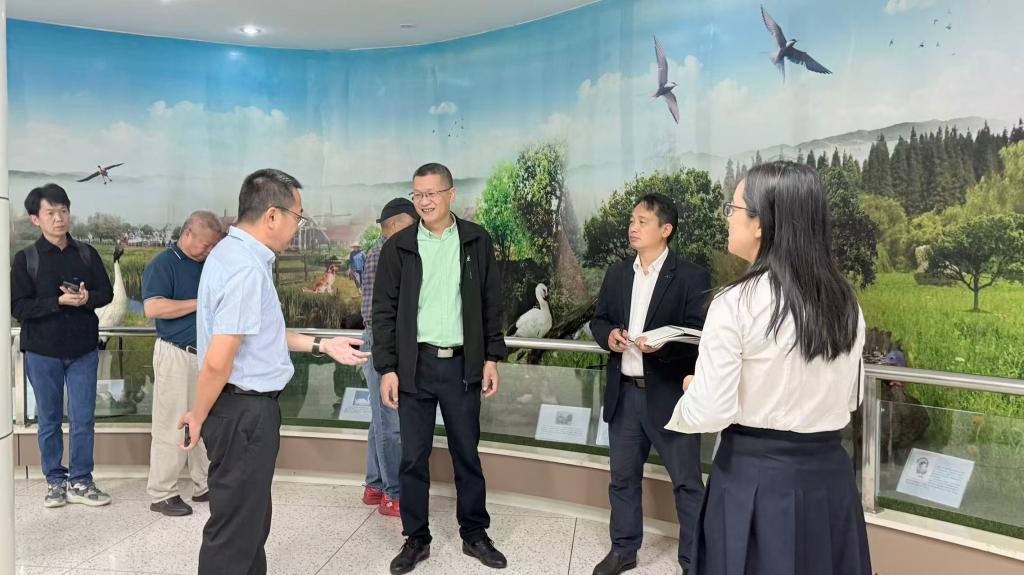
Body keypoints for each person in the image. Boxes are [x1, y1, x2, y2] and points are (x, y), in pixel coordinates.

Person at [666, 161, 871, 575]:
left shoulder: (735, 303)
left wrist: (693, 390)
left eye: (734, 208)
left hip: (754, 481)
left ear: (760, 223)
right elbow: (852, 397)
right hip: (830, 481)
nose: (727, 218)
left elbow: (710, 412)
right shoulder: (845, 303)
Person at [178, 169, 370, 575]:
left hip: (241, 410)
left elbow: (261, 333)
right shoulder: (245, 268)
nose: (298, 226)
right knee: (233, 534)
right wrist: (197, 414)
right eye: (297, 216)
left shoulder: (233, 256)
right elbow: (218, 359)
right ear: (271, 215)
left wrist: (322, 344)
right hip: (244, 413)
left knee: (249, 524)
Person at [373, 163, 507, 574]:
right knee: (413, 457)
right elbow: (384, 312)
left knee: (466, 453)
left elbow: (491, 302)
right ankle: (416, 538)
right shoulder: (399, 247)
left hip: (462, 366)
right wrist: (388, 368)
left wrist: (491, 358)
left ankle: (475, 533)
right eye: (418, 194)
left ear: (451, 194)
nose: (424, 201)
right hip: (414, 367)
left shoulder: (475, 240)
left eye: (431, 193)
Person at [589, 193, 710, 575]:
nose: (633, 227)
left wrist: (663, 344)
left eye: (642, 221)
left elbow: (699, 335)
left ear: (666, 229)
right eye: (632, 220)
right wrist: (610, 336)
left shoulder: (691, 276)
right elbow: (599, 320)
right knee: (622, 479)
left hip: (670, 396)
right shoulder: (618, 273)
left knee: (687, 483)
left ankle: (693, 561)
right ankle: (623, 550)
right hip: (624, 394)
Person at [12, 183, 115, 509]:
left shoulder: (86, 254)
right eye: (51, 213)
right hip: (42, 352)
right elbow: (18, 307)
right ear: (35, 219)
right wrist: (57, 301)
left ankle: (81, 480)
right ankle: (55, 481)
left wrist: (86, 298)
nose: (59, 218)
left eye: (64, 211)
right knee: (49, 419)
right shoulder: (26, 259)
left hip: (83, 350)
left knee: (84, 418)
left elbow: (106, 294)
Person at [143, 210, 225, 516]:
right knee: (172, 423)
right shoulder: (163, 264)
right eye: (205, 244)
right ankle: (162, 492)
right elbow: (153, 308)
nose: (209, 250)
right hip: (176, 353)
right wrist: (200, 304)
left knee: (204, 421)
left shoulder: (209, 265)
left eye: (214, 245)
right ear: (187, 234)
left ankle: (204, 484)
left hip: (206, 356)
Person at [359, 198, 418, 516]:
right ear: (396, 224)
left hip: (384, 343)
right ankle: (394, 494)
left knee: (380, 419)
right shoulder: (383, 254)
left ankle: (375, 484)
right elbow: (374, 314)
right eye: (412, 224)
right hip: (383, 345)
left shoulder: (387, 251)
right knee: (390, 422)